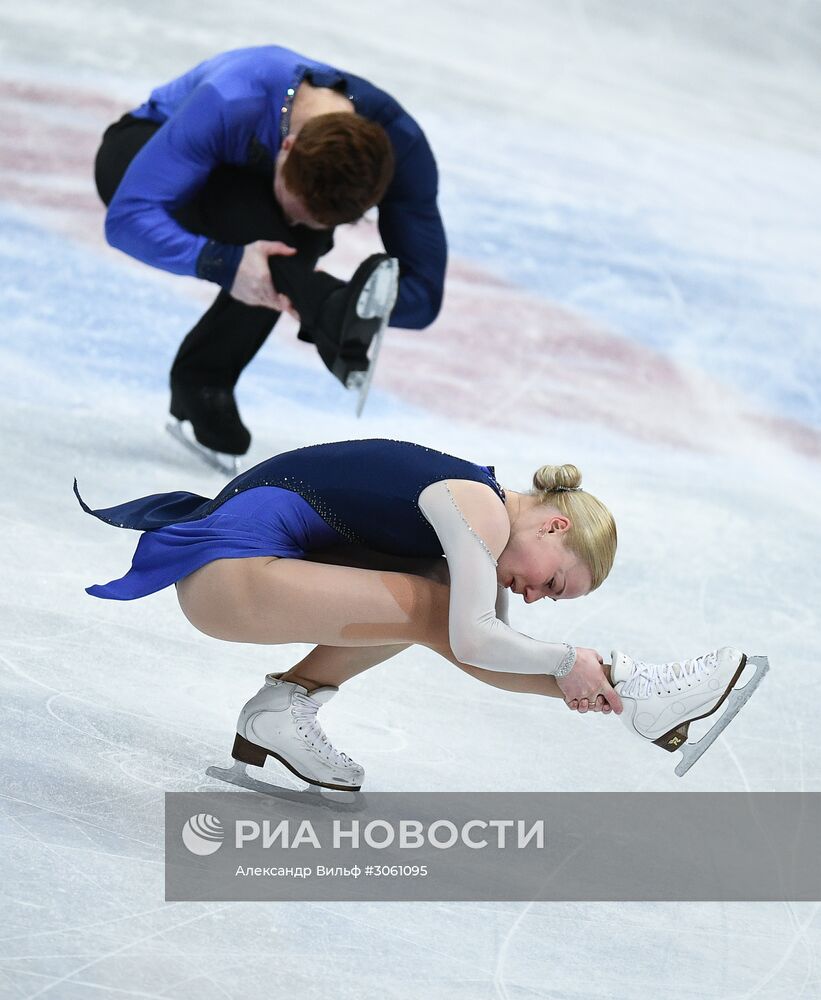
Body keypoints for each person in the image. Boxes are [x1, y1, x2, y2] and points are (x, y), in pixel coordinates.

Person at [76, 438, 761, 790]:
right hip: (227, 572)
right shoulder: (478, 506)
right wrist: (571, 661)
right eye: (551, 585)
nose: (530, 596)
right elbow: (469, 635)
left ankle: (284, 709)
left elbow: (481, 639)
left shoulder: (476, 523)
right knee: (438, 606)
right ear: (552, 527)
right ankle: (639, 692)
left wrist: (565, 666)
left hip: (236, 573)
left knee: (428, 590)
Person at [94, 46, 447, 459]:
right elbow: (127, 218)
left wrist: (349, 305)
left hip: (245, 176)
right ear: (288, 147)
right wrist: (223, 263)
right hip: (145, 148)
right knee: (279, 234)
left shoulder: (402, 145)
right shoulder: (233, 98)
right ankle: (208, 376)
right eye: (297, 206)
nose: (298, 224)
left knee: (296, 239)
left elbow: (425, 298)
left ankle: (216, 369)